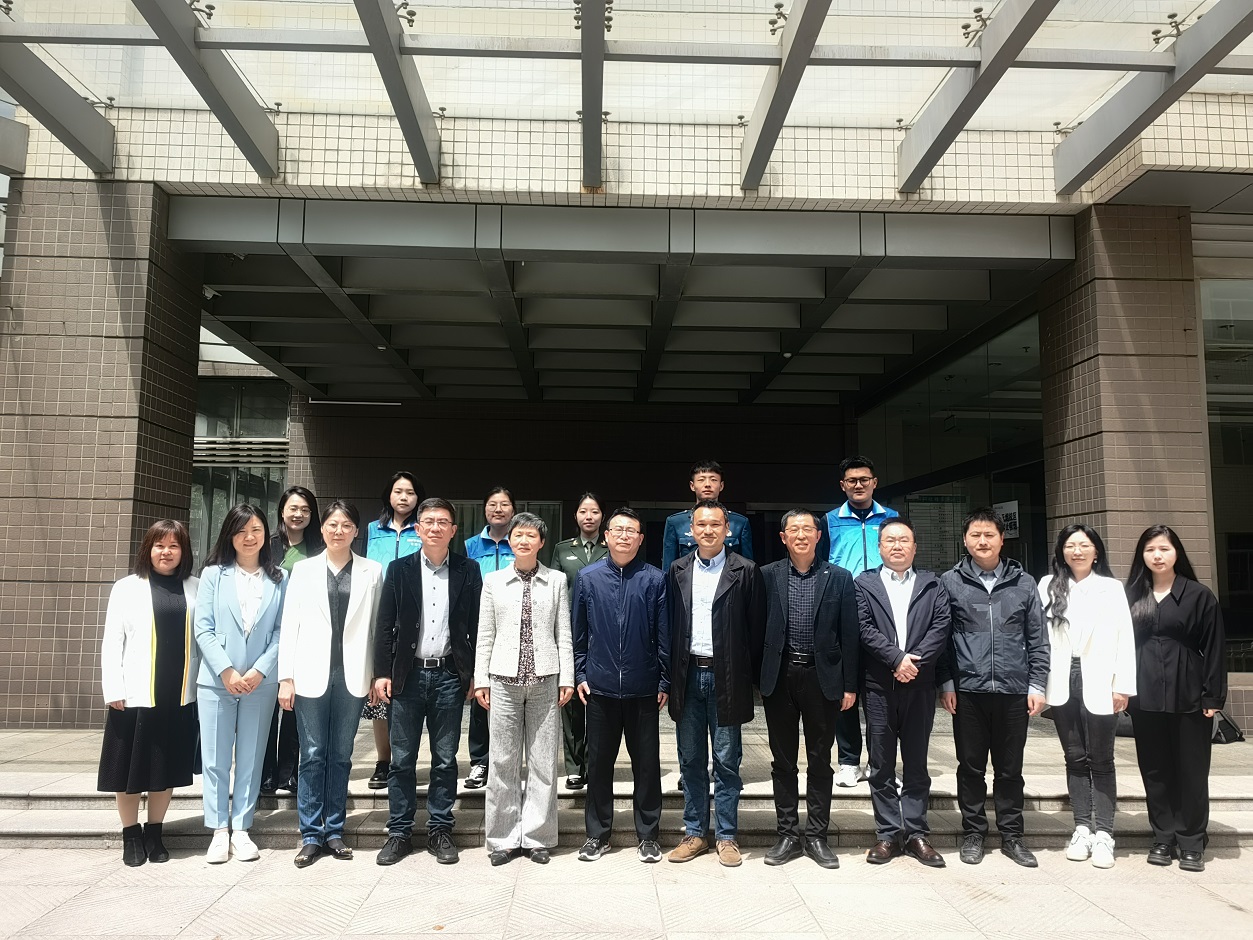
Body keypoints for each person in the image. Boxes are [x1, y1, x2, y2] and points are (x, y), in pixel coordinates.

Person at [373, 498, 483, 867]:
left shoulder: (469, 570)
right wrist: (382, 672)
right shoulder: (399, 569)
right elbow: (384, 625)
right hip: (406, 676)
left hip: (449, 675)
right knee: (402, 760)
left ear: (454, 530)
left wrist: (475, 673)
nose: (435, 527)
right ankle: (399, 832)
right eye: (429, 522)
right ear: (418, 529)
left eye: (443, 522)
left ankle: (440, 829)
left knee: (446, 759)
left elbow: (478, 627)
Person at [938, 507, 1049, 868]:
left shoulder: (1024, 583)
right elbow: (942, 639)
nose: (982, 541)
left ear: (1002, 539)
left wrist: (1037, 684)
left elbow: (1038, 638)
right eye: (975, 535)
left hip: (1013, 690)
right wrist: (947, 682)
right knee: (970, 767)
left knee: (1010, 768)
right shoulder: (950, 582)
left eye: (989, 535)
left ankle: (1012, 835)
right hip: (968, 690)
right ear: (965, 540)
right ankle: (974, 832)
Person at [278, 501, 383, 868]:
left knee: (340, 754)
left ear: (356, 531)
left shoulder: (372, 570)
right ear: (322, 529)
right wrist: (286, 678)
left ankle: (334, 830)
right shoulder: (303, 570)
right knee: (312, 753)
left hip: (353, 675)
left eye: (347, 525)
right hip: (309, 674)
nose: (339, 531)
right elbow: (289, 624)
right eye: (333, 525)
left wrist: (376, 674)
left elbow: (376, 628)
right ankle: (310, 834)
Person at [666, 499, 766, 868]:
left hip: (727, 677)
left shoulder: (746, 570)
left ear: (728, 529)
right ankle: (695, 833)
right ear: (691, 530)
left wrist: (748, 677)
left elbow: (756, 630)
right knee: (691, 760)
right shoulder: (677, 569)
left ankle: (726, 836)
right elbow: (670, 625)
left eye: (715, 524)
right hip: (688, 676)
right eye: (701, 525)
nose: (708, 530)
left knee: (726, 761)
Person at [473, 512, 574, 866]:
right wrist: (481, 679)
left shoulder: (557, 580)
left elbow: (564, 632)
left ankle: (537, 837)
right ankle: (502, 838)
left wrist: (567, 678)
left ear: (541, 542)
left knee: (544, 762)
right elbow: (485, 634)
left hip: (545, 681)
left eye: (531, 535)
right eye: (518, 535)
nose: (524, 541)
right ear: (510, 540)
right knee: (502, 761)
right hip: (503, 681)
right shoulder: (493, 581)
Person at [98, 520, 200, 867]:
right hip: (133, 696)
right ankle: (130, 834)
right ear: (148, 549)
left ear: (183, 551)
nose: (166, 552)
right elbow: (112, 642)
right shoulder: (126, 588)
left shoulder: (196, 587)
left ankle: (154, 832)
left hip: (177, 696)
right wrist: (113, 688)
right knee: (128, 771)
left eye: (174, 546)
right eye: (160, 545)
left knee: (164, 769)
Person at [759, 510, 857, 870]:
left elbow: (850, 635)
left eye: (807, 529)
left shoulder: (840, 578)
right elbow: (755, 629)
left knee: (820, 759)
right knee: (783, 760)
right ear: (783, 537)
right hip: (780, 676)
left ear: (818, 535)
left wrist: (850, 685)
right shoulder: (766, 575)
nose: (800, 535)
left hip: (822, 678)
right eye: (793, 530)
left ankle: (816, 836)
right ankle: (787, 833)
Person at [1126, 524, 1226, 873]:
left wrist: (1213, 696)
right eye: (1150, 549)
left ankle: (1191, 841)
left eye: (1164, 549)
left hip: (1190, 694)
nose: (1157, 555)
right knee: (1155, 769)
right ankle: (1163, 837)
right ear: (1142, 555)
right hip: (1144, 694)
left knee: (1191, 769)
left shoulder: (1198, 596)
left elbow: (1214, 648)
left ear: (1176, 553)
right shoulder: (1132, 595)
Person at [573, 507, 669, 863]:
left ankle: (649, 835)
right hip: (599, 689)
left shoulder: (655, 579)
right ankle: (597, 835)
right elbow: (578, 633)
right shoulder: (587, 578)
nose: (624, 536)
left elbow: (664, 634)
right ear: (607, 536)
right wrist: (580, 675)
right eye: (618, 530)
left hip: (644, 688)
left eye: (632, 531)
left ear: (641, 539)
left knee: (647, 765)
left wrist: (664, 679)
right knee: (599, 765)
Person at [856, 518, 952, 867]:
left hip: (920, 685)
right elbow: (862, 627)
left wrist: (914, 662)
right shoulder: (863, 583)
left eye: (904, 540)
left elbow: (941, 627)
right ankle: (887, 834)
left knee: (916, 761)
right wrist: (896, 659)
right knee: (881, 763)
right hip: (879, 687)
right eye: (890, 540)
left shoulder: (933, 584)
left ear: (915, 546)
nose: (897, 546)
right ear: (880, 547)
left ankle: (915, 833)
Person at [1039, 524, 1136, 870]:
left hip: (1100, 679)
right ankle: (1082, 828)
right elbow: (1038, 638)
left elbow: (1125, 637)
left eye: (1084, 545)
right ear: (1061, 552)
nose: (1076, 551)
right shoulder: (1047, 585)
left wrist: (1122, 685)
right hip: (1062, 679)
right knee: (1074, 757)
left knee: (1102, 758)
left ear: (1096, 552)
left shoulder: (1112, 588)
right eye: (1070, 545)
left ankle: (1105, 833)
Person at [194, 504, 287, 864]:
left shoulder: (280, 578)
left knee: (251, 757)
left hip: (260, 684)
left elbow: (282, 631)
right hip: (217, 682)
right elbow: (202, 628)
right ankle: (219, 831)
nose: (249, 537)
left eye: (256, 530)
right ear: (229, 535)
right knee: (215, 759)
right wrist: (226, 671)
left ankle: (242, 829)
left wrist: (260, 670)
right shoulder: (213, 575)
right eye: (241, 531)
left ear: (266, 534)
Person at [823, 456, 899, 789]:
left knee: (883, 692)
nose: (858, 485)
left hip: (883, 608)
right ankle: (848, 762)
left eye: (864, 479)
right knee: (846, 689)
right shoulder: (829, 521)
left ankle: (882, 764)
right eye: (852, 480)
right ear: (843, 485)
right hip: (844, 608)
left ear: (874, 482)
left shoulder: (892, 518)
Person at [362, 472, 425, 789]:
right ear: (389, 495)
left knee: (409, 693)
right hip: (379, 615)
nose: (404, 497)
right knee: (379, 692)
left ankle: (406, 760)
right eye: (398, 491)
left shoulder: (422, 528)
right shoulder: (372, 529)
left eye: (410, 492)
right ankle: (383, 761)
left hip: (415, 617)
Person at [261, 486, 323, 796]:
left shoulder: (319, 549)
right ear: (282, 511)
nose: (298, 514)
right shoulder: (266, 545)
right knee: (265, 708)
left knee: (294, 705)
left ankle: (289, 773)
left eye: (305, 510)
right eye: (293, 508)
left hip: (304, 636)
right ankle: (265, 774)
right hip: (267, 636)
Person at [552, 493, 608, 791]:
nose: (589, 516)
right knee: (571, 701)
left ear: (602, 516)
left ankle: (593, 763)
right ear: (575, 515)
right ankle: (574, 767)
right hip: (570, 633)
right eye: (584, 511)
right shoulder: (563, 549)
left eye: (595, 511)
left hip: (603, 634)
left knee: (597, 702)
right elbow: (555, 593)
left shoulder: (611, 547)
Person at [462, 486, 517, 789]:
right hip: (480, 627)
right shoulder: (471, 545)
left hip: (514, 627)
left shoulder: (520, 542)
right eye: (493, 504)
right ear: (484, 509)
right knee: (481, 694)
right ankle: (480, 761)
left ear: (513, 510)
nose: (498, 509)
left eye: (504, 504)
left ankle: (508, 761)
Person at [661, 460, 755, 572]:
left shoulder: (739, 522)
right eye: (701, 480)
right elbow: (668, 568)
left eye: (713, 480)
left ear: (721, 485)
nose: (707, 484)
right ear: (692, 485)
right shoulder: (676, 522)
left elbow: (747, 567)